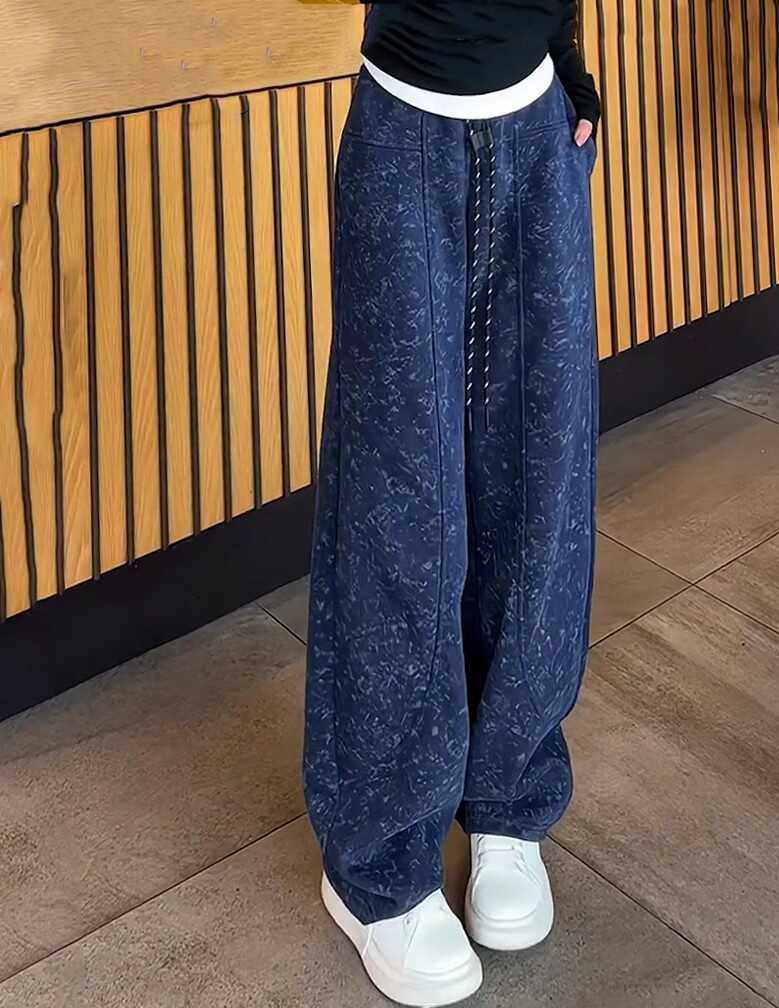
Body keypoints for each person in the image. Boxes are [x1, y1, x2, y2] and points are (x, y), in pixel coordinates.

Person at [303, 2, 600, 1004]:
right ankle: (379, 863)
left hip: (537, 133)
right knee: (402, 504)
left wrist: (565, 54)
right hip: (405, 135)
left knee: (540, 485)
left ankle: (508, 797)